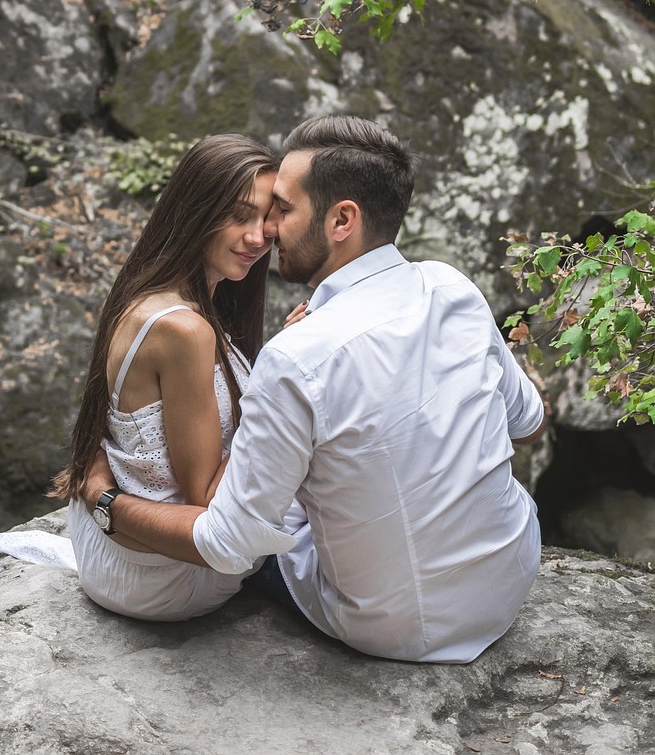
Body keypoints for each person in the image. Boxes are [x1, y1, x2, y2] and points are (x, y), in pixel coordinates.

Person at [82, 114, 547, 663]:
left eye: (282, 207)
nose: (269, 228)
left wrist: (104, 500)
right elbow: (530, 421)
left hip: (394, 624)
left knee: (274, 526)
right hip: (512, 574)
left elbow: (228, 543)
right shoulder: (452, 287)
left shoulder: (298, 357)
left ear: (341, 220)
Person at [50, 133, 277, 621]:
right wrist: (277, 382)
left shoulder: (145, 292)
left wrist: (100, 495)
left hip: (108, 547)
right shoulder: (184, 329)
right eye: (239, 215)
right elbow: (207, 505)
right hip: (167, 575)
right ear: (197, 211)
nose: (258, 237)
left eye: (267, 218)